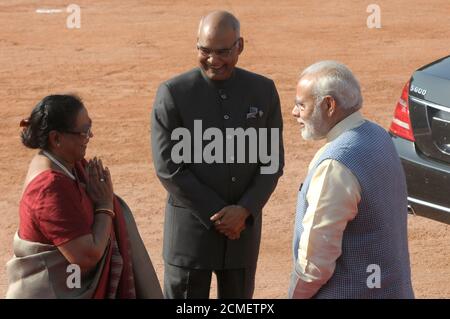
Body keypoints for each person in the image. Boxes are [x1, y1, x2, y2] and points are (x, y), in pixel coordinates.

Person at [151, 11, 284, 299]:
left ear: (240, 46)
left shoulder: (263, 91)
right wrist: (222, 216)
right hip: (191, 238)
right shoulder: (173, 93)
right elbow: (169, 167)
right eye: (205, 50)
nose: (214, 60)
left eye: (223, 51)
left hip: (242, 235)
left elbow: (271, 163)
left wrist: (244, 210)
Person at [6, 94, 163, 299]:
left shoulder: (70, 167)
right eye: (84, 132)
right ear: (56, 138)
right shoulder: (49, 188)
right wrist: (105, 207)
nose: (90, 136)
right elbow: (86, 256)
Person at [289, 61, 414, 299]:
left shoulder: (335, 165)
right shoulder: (379, 136)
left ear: (328, 104)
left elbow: (315, 264)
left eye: (301, 105)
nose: (295, 112)